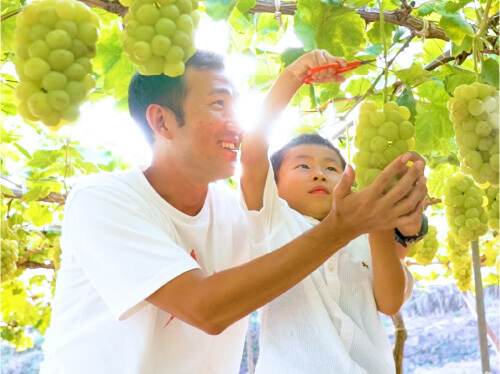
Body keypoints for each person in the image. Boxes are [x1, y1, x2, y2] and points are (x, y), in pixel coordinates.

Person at [39, 50, 426, 374]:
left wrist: (400, 228)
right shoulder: (103, 200)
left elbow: (370, 278)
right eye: (218, 104)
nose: (236, 125)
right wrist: (292, 77)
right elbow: (204, 308)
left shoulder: (236, 214)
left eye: (236, 107)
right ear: (162, 120)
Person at [239, 50, 426, 373]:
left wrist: (380, 225)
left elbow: (390, 302)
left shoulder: (362, 237)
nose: (319, 174)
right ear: (275, 184)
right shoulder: (272, 220)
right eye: (302, 165)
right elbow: (253, 148)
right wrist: (292, 77)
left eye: (331, 168)